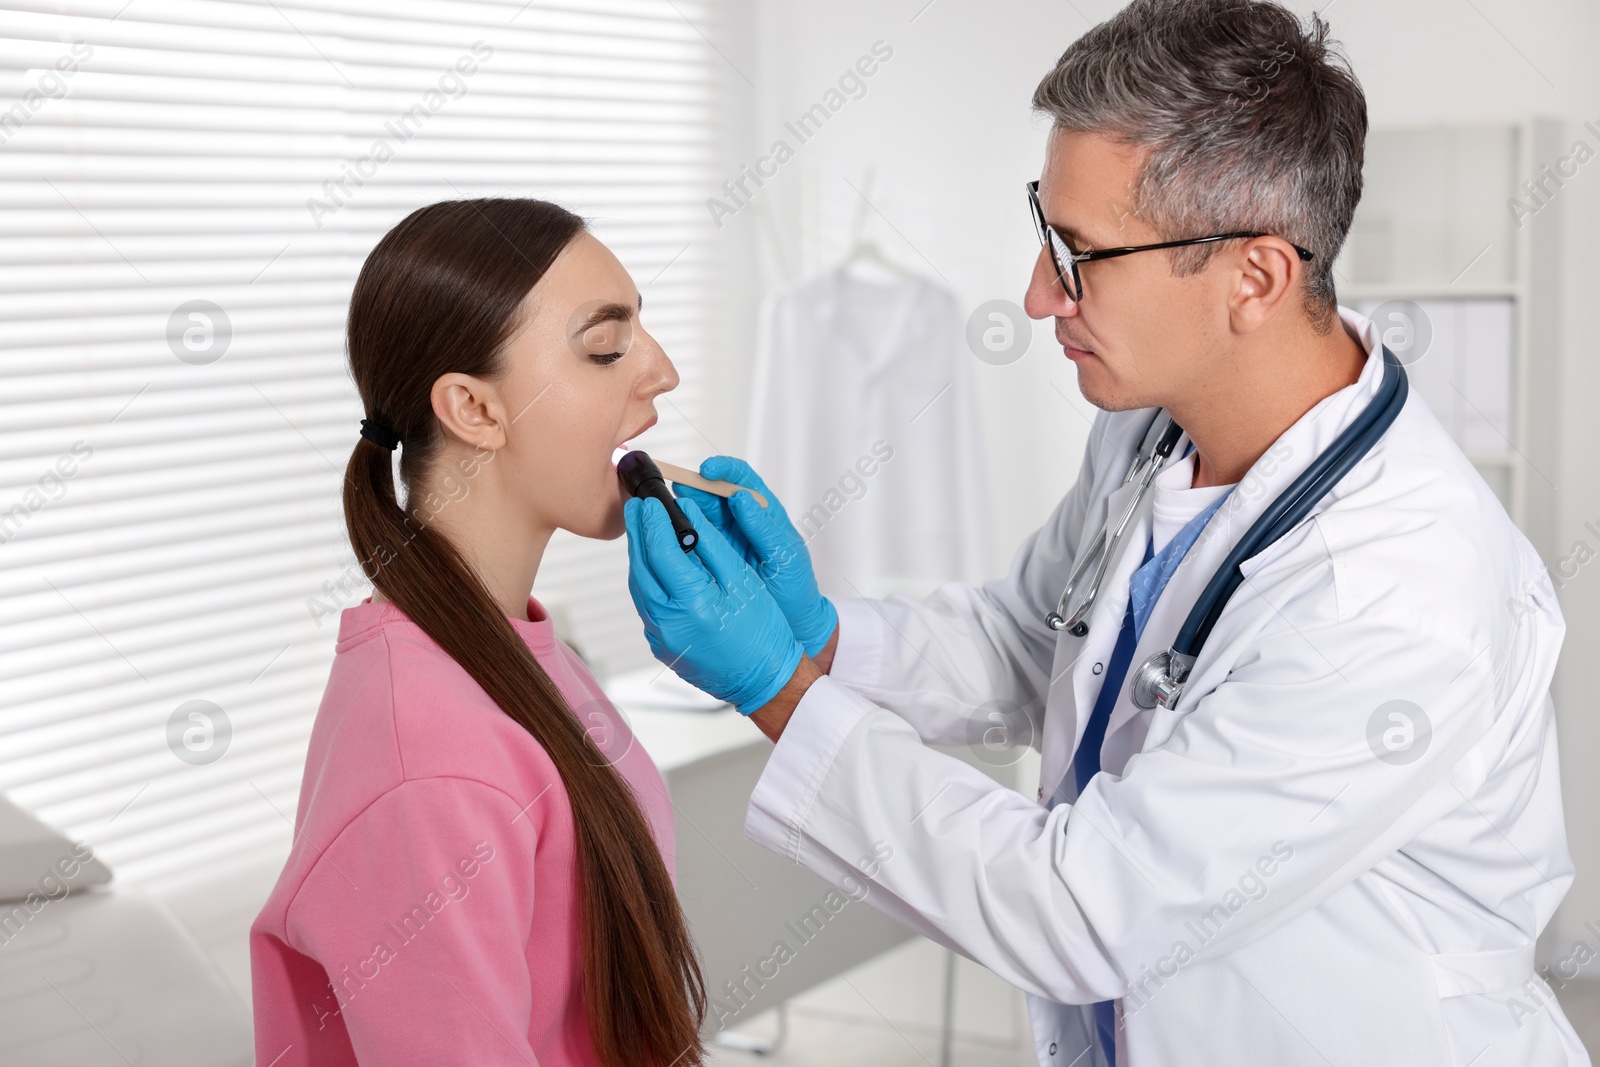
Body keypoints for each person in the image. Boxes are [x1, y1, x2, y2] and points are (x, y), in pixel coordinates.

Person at [622, 1, 1586, 1064]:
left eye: (1081, 254)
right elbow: (1033, 639)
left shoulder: (1395, 590)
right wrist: (821, 635)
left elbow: (1085, 908)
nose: (1039, 296)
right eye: (1048, 235)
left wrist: (779, 693)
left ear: (1254, 277)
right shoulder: (1153, 427)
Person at [250, 199, 707, 1067]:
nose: (661, 370)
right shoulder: (432, 760)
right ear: (474, 408)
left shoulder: (517, 649)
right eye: (605, 346)